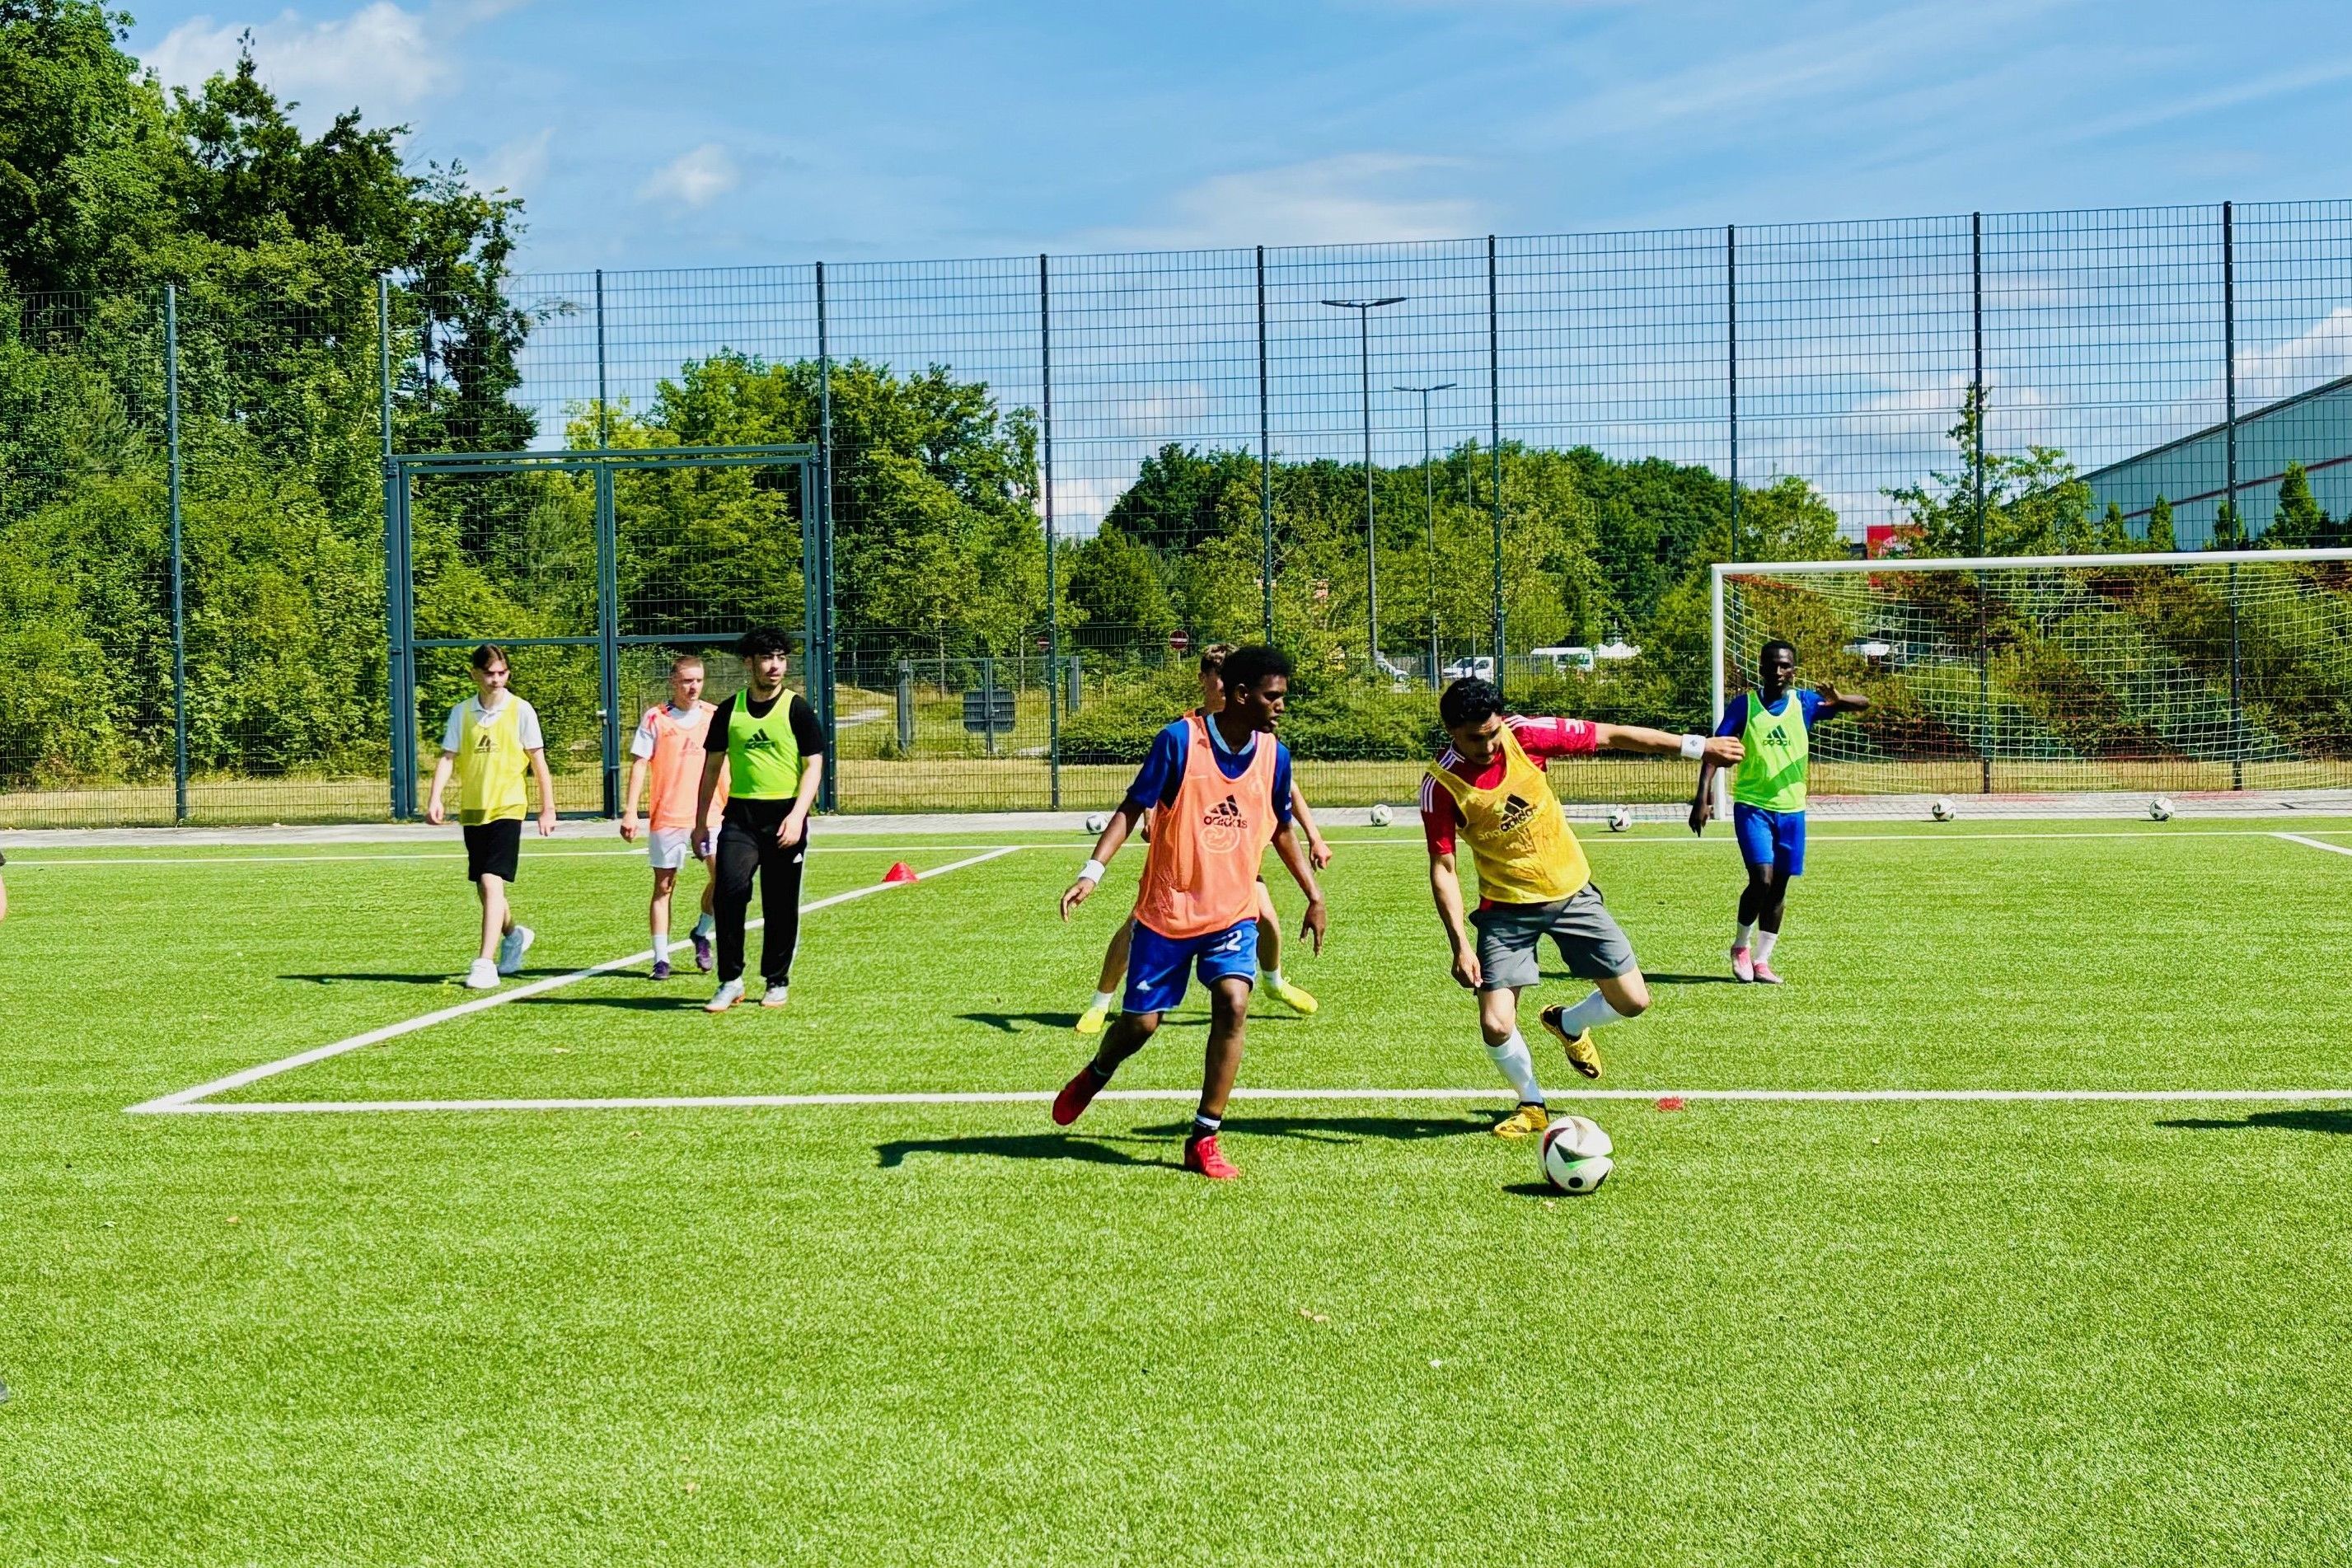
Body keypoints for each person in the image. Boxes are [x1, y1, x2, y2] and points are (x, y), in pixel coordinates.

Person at [1422, 676, 1741, 1140]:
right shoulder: (1441, 785)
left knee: (1633, 1001)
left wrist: (1698, 747)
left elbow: (1611, 735)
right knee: (1495, 1024)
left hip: (1572, 893)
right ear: (1451, 731)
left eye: (1492, 732)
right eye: (1475, 738)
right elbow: (1444, 867)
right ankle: (1531, 1103)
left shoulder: (1525, 734)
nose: (1489, 746)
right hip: (1506, 911)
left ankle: (1568, 1023)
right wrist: (1460, 946)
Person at [1052, 645, 1328, 1180]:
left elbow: (1281, 828)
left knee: (1233, 1003)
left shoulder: (1276, 755)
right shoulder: (1179, 741)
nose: (1281, 706)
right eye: (1273, 696)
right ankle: (1098, 1071)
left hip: (1233, 913)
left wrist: (1313, 895)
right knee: (1140, 1025)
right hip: (1168, 913)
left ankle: (1204, 1137)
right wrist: (1092, 872)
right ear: (1241, 694)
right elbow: (1132, 807)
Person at [1074, 644, 1332, 1035]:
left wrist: (1314, 840)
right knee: (1136, 929)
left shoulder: (1265, 741)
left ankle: (1274, 983)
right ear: (1211, 682)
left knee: (1265, 920)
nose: (1221, 685)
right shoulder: (1183, 735)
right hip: (1181, 870)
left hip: (1235, 863)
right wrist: (1097, 867)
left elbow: (1282, 799)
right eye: (1216, 676)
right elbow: (1147, 796)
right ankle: (1101, 1002)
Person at [1689, 639, 1868, 985]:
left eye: (1784, 665)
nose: (1778, 670)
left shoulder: (1806, 703)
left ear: (1793, 670)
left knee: (1779, 887)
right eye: (1771, 664)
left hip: (1792, 811)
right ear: (1760, 668)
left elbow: (1864, 704)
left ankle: (1762, 961)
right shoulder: (1745, 705)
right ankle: (1740, 946)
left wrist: (1840, 699)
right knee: (1762, 879)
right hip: (1752, 807)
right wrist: (1703, 796)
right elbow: (1714, 750)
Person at [695, 628, 827, 1013]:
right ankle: (730, 980)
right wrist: (700, 821)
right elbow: (711, 768)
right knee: (729, 891)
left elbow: (814, 766)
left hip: (785, 816)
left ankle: (776, 979)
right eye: (767, 658)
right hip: (741, 817)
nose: (775, 666)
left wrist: (798, 815)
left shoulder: (797, 709)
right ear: (749, 663)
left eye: (781, 658)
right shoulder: (728, 711)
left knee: (780, 902)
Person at [424, 644, 558, 990]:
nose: (496, 679)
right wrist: (435, 797)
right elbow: (448, 757)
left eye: (502, 673)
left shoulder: (521, 710)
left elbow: (538, 761)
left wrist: (548, 807)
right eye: (489, 673)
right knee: (485, 890)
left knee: (490, 881)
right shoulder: (462, 713)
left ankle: (484, 963)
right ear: (475, 675)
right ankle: (514, 935)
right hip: (473, 810)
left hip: (508, 808)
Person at [621, 653, 728, 981]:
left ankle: (701, 932)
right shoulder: (656, 717)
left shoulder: (715, 715)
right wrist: (630, 811)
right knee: (664, 885)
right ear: (673, 682)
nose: (693, 687)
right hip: (668, 816)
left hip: (711, 814)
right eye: (686, 681)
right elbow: (640, 763)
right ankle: (661, 958)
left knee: (724, 879)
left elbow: (729, 762)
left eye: (698, 680)